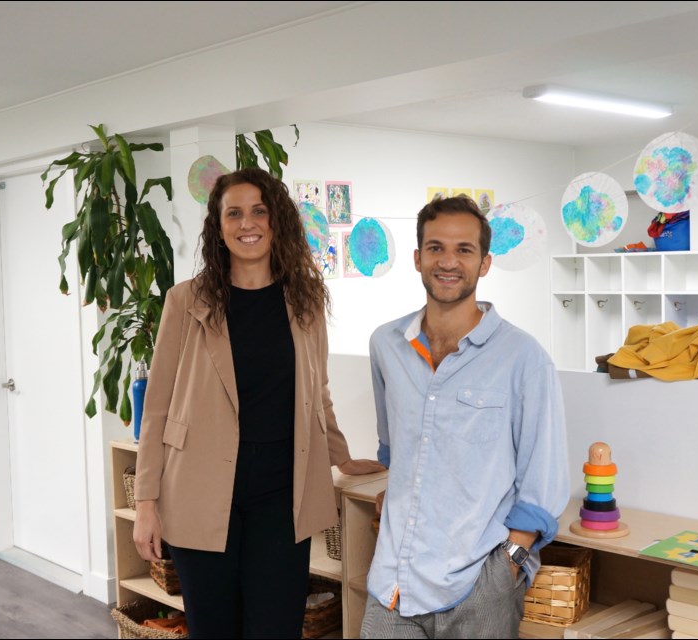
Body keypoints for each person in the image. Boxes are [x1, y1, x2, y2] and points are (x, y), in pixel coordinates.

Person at [131, 167, 384, 639]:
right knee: (215, 629)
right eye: (234, 213)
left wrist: (342, 457)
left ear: (276, 221)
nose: (247, 223)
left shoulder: (305, 301)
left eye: (259, 211)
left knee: (275, 628)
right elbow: (157, 408)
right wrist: (146, 502)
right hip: (200, 490)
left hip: (281, 493)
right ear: (219, 225)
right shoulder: (185, 302)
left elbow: (318, 393)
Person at [360, 195, 569, 639]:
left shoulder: (524, 358)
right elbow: (395, 450)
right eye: (435, 248)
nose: (448, 261)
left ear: (485, 263)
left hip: (480, 585)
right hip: (394, 581)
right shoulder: (386, 345)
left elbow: (544, 481)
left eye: (464, 250)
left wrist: (509, 565)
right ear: (417, 259)